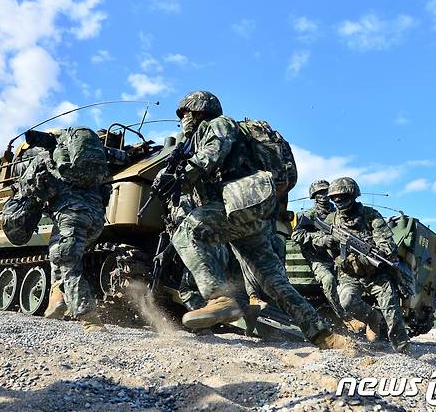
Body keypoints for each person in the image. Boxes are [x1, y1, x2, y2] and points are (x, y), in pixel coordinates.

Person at [167, 90, 349, 349]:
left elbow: (211, 154)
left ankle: (219, 298)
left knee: (187, 232)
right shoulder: (202, 138)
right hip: (252, 215)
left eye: (184, 114)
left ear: (196, 110)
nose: (182, 120)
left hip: (233, 208)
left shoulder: (218, 124)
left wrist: (182, 176)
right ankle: (323, 335)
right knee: (275, 282)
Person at [16, 127, 108, 333]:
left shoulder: (46, 161)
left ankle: (89, 318)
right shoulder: (92, 163)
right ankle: (56, 300)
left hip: (71, 216)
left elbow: (33, 193)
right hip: (96, 219)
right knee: (56, 254)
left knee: (68, 263)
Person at [312, 177, 410, 353]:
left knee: (392, 314)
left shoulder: (371, 216)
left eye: (342, 196)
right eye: (334, 197)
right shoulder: (331, 219)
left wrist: (367, 253)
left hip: (376, 275)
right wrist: (329, 239)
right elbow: (316, 238)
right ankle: (372, 316)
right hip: (349, 275)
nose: (338, 201)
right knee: (346, 301)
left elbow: (388, 246)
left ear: (353, 195)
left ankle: (403, 351)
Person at [291, 180, 365, 332]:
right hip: (319, 259)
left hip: (339, 258)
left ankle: (371, 317)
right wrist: (321, 239)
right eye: (319, 193)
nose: (323, 196)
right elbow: (297, 235)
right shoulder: (310, 215)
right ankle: (346, 318)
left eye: (326, 192)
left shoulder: (339, 213)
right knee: (329, 280)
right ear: (314, 196)